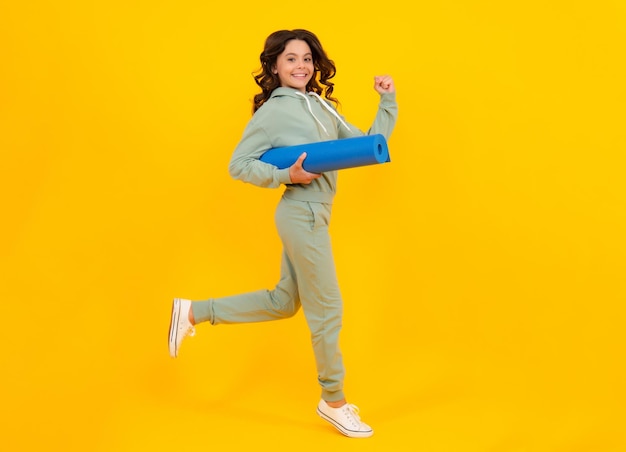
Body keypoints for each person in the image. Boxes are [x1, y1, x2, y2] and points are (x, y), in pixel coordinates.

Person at [168, 28, 397, 438]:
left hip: (317, 214)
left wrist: (387, 100)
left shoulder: (322, 108)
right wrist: (284, 174)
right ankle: (334, 400)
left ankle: (192, 312)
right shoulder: (273, 112)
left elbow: (369, 145)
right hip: (300, 212)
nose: (301, 66)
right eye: (291, 59)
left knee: (283, 301)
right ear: (274, 66)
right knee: (328, 309)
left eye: (307, 58)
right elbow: (239, 164)